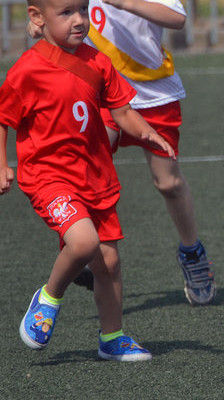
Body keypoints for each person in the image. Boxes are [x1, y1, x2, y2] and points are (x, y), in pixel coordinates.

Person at [0, 0, 176, 361]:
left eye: (82, 10)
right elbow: (3, 116)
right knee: (83, 243)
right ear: (37, 17)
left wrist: (146, 132)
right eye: (66, 13)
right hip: (49, 177)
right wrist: (1, 163)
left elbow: (123, 112)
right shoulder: (28, 69)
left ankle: (112, 338)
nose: (79, 20)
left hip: (95, 177)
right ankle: (48, 298)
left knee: (108, 263)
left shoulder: (98, 61)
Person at [28, 0, 216, 305]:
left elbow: (177, 18)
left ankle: (192, 252)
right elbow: (50, 12)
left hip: (155, 95)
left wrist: (125, 3)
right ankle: (76, 248)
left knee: (168, 183)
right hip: (100, 91)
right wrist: (39, 23)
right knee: (83, 170)